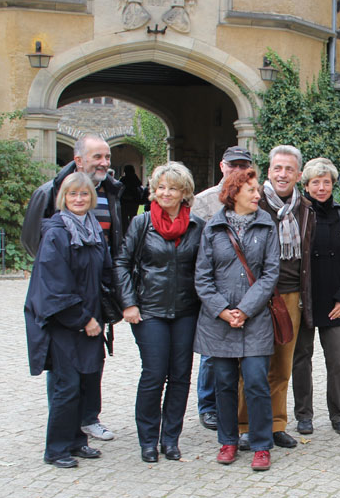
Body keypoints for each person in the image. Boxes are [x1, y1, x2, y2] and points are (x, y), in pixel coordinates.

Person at [23, 134, 123, 442]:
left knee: (92, 364)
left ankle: (87, 421)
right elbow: (34, 241)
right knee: (65, 373)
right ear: (79, 160)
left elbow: (114, 241)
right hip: (65, 296)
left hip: (95, 292)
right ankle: (63, 432)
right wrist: (64, 277)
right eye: (98, 157)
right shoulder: (51, 195)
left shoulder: (111, 191)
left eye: (107, 157)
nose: (104, 163)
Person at [115, 162, 204, 463]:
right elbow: (122, 263)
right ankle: (148, 440)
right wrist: (128, 302)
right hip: (149, 309)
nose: (166, 193)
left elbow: (204, 269)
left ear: (184, 192)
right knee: (154, 374)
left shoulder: (197, 226)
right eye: (161, 187)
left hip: (186, 310)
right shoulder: (142, 223)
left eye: (173, 188)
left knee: (180, 375)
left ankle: (171, 439)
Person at [193, 168, 279, 470]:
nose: (258, 195)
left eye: (257, 189)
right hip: (218, 321)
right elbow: (202, 277)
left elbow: (271, 274)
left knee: (256, 382)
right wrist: (222, 310)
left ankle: (261, 445)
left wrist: (244, 310)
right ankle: (227, 441)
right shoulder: (213, 227)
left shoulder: (267, 225)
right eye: (251, 190)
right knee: (224, 383)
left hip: (254, 319)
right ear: (234, 193)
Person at [236, 145, 311, 451]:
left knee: (282, 366)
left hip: (290, 295)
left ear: (298, 175)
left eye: (289, 169)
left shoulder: (305, 208)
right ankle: (245, 426)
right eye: (277, 168)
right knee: (252, 365)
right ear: (269, 171)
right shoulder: (253, 203)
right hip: (256, 295)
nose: (283, 174)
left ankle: (276, 424)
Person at [291, 158, 340, 435]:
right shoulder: (296, 214)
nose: (321, 188)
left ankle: (339, 415)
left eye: (327, 182)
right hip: (304, 299)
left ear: (333, 185)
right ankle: (304, 415)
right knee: (301, 358)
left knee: (338, 360)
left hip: (335, 301)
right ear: (306, 186)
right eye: (316, 182)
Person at [191, 146, 255, 432]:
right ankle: (208, 406)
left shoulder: (254, 198)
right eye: (233, 165)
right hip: (213, 288)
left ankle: (233, 406)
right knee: (211, 352)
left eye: (243, 166)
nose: (237, 170)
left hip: (245, 287)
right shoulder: (203, 201)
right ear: (222, 166)